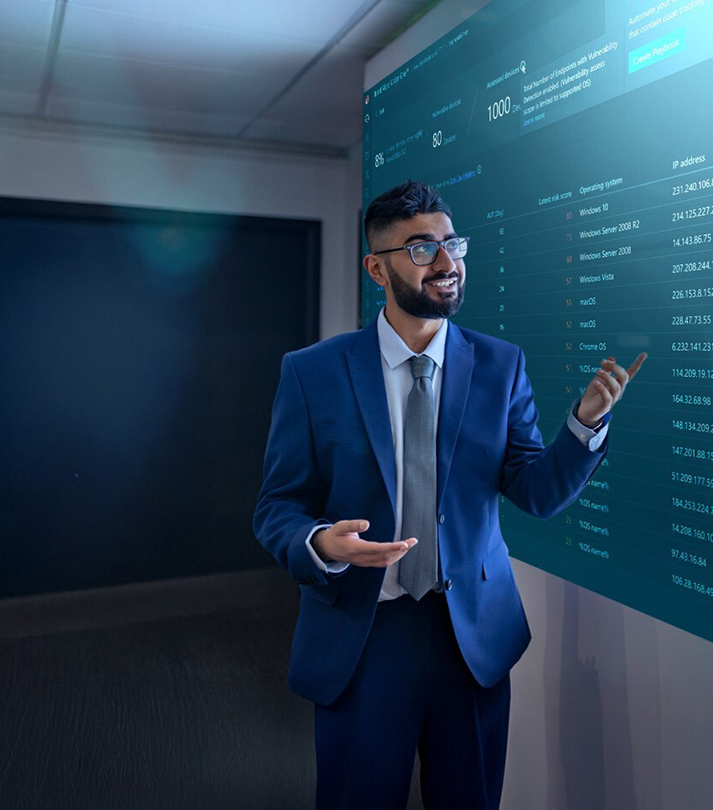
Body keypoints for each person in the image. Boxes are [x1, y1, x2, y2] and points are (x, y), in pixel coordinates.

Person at [253, 180, 645, 810]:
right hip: (364, 634)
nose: (446, 262)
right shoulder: (313, 372)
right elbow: (276, 507)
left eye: (452, 244)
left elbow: (536, 492)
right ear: (376, 267)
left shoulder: (500, 366)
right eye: (421, 248)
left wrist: (584, 426)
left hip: (471, 639)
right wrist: (320, 541)